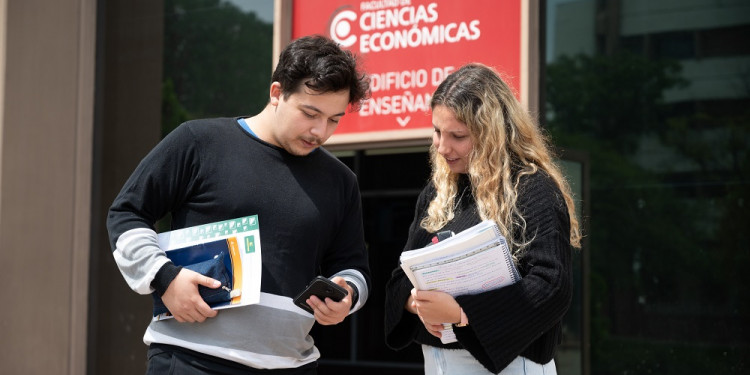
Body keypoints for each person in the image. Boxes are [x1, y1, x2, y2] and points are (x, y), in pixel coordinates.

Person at [107, 35, 371, 374]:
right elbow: (126, 213)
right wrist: (164, 278)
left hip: (293, 365)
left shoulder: (341, 181)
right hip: (190, 359)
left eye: (334, 119)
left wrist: (346, 296)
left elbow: (353, 267)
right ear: (277, 93)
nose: (320, 130)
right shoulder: (198, 143)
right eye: (310, 113)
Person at [384, 63, 582, 375]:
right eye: (437, 131)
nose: (442, 147)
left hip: (511, 365)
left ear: (492, 133)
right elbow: (400, 277)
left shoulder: (532, 189)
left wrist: (464, 313)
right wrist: (414, 303)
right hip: (436, 363)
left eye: (458, 136)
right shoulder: (438, 192)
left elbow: (552, 286)